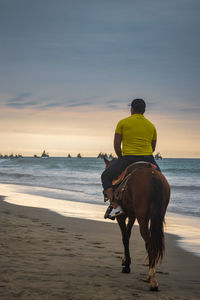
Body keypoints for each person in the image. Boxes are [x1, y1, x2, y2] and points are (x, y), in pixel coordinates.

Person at [101, 98, 161, 219]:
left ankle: (115, 206)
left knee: (105, 176)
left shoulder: (123, 123)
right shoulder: (152, 126)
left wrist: (120, 157)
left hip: (128, 159)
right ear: (144, 111)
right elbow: (153, 148)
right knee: (161, 181)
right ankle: (159, 206)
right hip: (148, 159)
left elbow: (117, 145)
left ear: (131, 109)